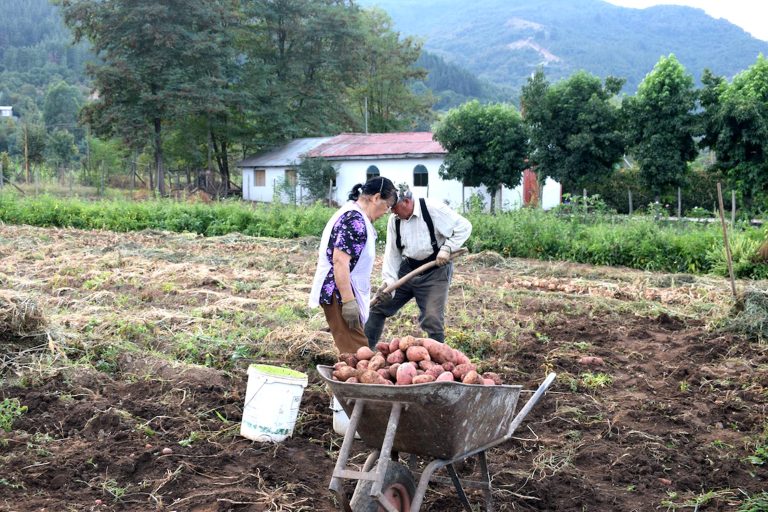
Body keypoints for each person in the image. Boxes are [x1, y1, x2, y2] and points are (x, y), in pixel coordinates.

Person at [365, 184, 472, 347]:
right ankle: (365, 352)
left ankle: (437, 361)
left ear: (406, 202)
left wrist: (447, 248)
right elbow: (392, 253)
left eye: (394, 207)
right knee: (378, 306)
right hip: (408, 270)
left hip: (435, 270)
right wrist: (389, 282)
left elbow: (464, 227)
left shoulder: (433, 209)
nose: (392, 211)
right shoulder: (395, 221)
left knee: (432, 318)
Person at [309, 176, 398, 354]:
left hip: (342, 291)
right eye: (387, 206)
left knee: (351, 352)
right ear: (376, 197)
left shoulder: (354, 214)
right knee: (358, 355)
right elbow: (339, 261)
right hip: (340, 294)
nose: (384, 213)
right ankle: (352, 381)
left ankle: (344, 380)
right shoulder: (355, 221)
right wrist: (349, 302)